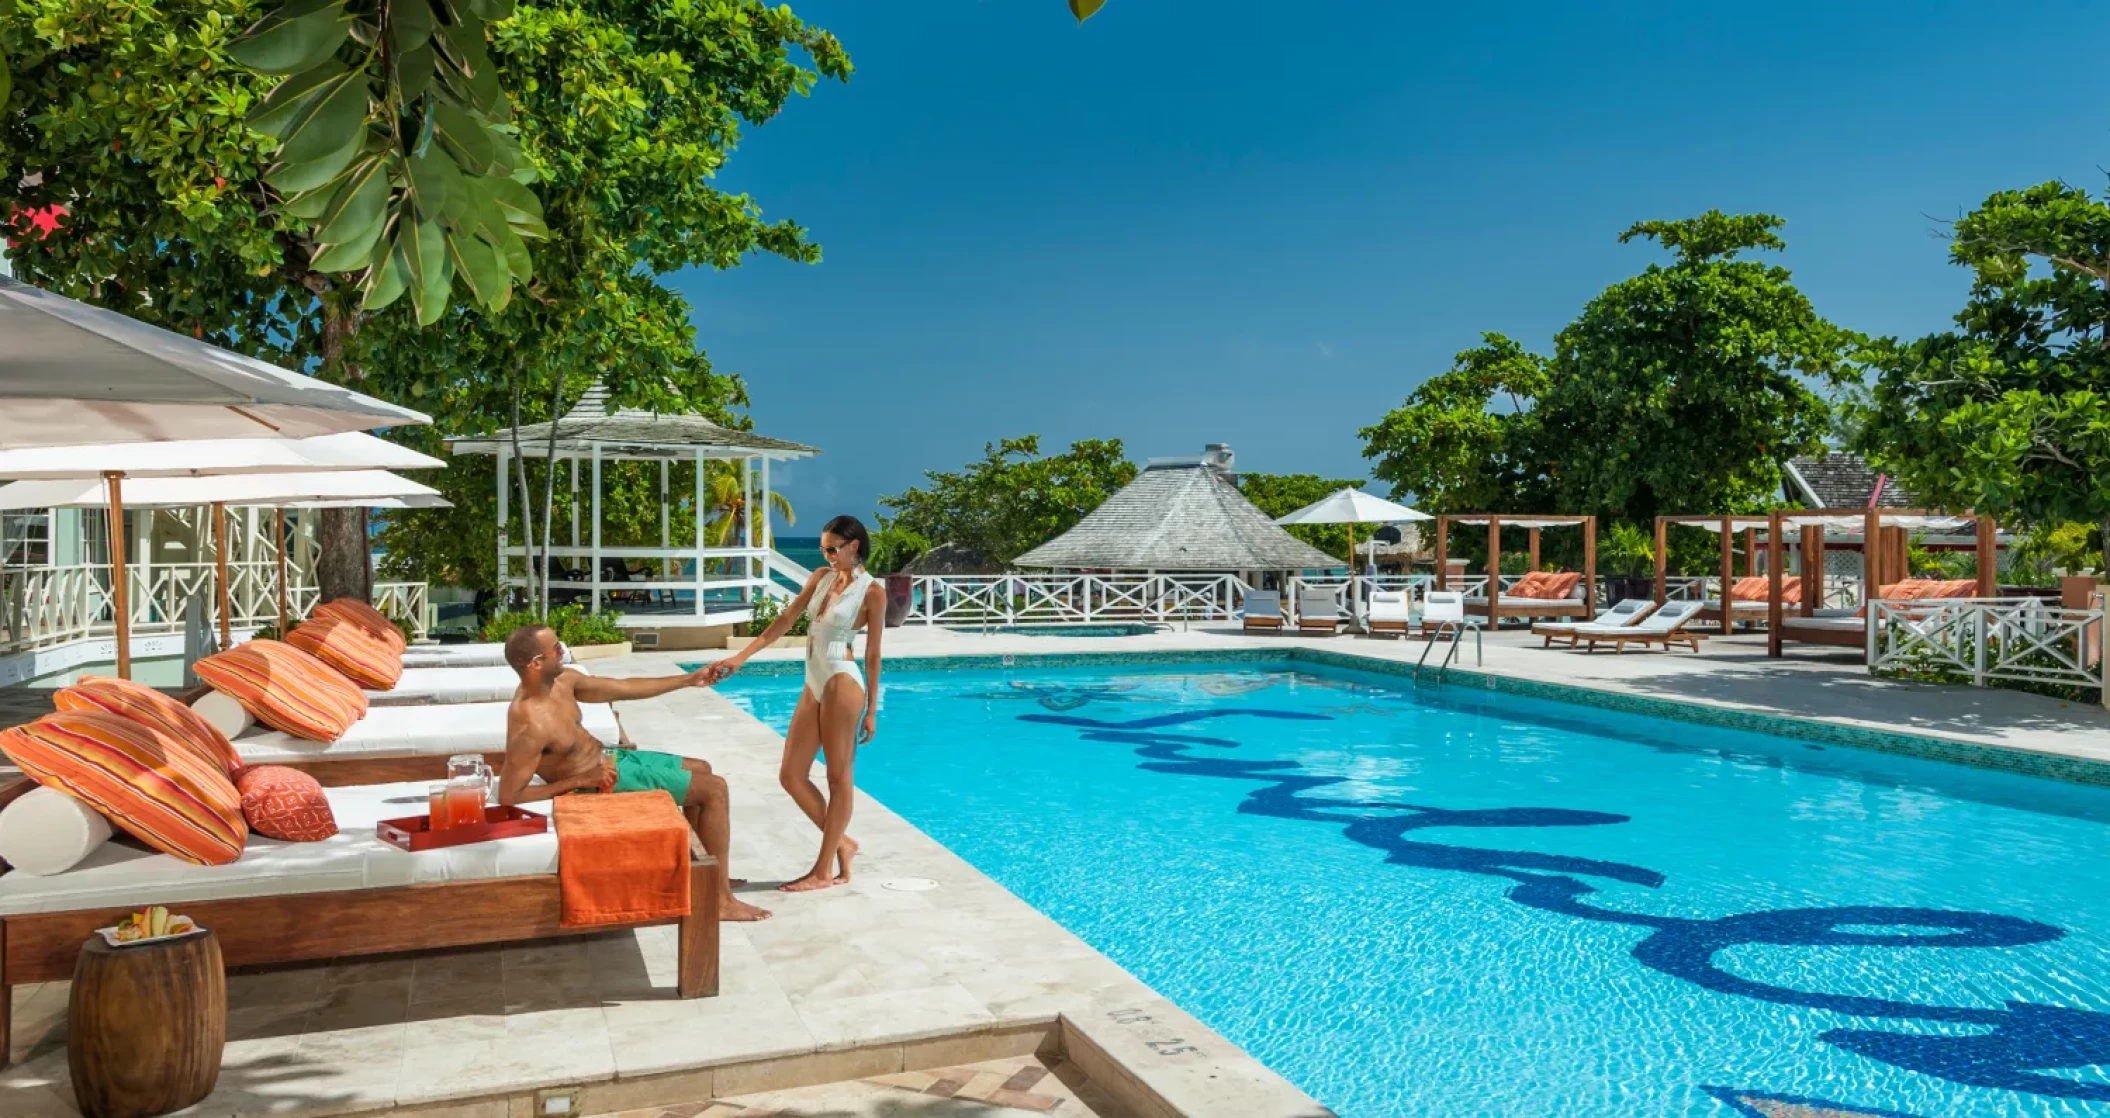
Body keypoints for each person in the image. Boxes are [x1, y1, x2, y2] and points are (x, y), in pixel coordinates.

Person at [498, 623, 771, 922]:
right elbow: (511, 795)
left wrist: (688, 679)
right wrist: (580, 780)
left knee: (702, 769)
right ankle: (719, 901)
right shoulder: (528, 722)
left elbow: (624, 687)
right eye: (556, 649)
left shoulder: (562, 682)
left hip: (612, 760)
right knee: (714, 788)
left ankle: (709, 878)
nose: (564, 651)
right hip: (596, 782)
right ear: (536, 663)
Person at [714, 514, 885, 892]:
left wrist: (873, 708)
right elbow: (787, 619)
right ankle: (843, 843)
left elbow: (873, 654)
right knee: (791, 774)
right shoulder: (820, 578)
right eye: (823, 548)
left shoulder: (872, 591)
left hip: (844, 678)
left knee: (838, 778)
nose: (826, 555)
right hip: (814, 679)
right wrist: (740, 658)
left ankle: (823, 870)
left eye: (833, 548)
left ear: (854, 546)